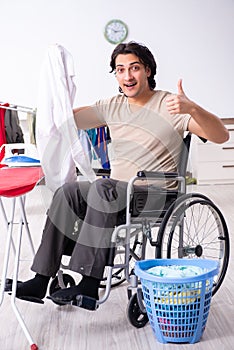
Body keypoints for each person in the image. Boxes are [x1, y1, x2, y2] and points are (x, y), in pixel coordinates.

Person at [15, 41, 229, 308]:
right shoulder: (111, 106)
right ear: (115, 74)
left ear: (148, 70)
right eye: (120, 69)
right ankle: (40, 278)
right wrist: (53, 94)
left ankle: (90, 283)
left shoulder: (171, 106)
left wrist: (193, 109)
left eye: (135, 68)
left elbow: (221, 135)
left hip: (156, 195)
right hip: (116, 193)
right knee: (68, 192)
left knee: (103, 188)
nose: (127, 76)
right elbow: (63, 121)